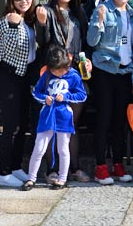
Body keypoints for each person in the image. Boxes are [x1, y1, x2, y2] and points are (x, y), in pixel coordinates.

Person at [35, 0, 90, 182]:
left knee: (70, 124)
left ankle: (74, 168)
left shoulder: (79, 13)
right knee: (51, 124)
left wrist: (87, 61)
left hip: (73, 74)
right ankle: (52, 170)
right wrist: (41, 24)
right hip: (53, 74)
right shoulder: (47, 11)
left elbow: (85, 43)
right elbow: (42, 43)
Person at [88, 0, 133, 186]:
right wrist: (99, 21)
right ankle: (101, 167)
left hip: (125, 72)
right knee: (104, 119)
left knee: (120, 120)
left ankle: (118, 164)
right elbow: (92, 42)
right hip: (105, 70)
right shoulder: (103, 9)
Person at [0, 0, 40, 188]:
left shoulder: (28, 21)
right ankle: (3, 173)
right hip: (8, 75)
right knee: (10, 125)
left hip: (23, 76)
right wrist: (13, 25)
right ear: (11, 0)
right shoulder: (7, 20)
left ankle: (15, 166)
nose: (23, 1)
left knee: (21, 125)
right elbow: (10, 46)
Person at [21, 46, 87, 191]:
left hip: (64, 116)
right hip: (47, 115)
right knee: (39, 147)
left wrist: (67, 97)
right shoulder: (46, 75)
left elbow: (82, 95)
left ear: (67, 65)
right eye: (54, 70)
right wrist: (45, 98)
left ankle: (62, 179)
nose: (58, 73)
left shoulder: (74, 75)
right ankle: (31, 178)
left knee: (63, 149)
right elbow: (36, 92)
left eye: (61, 70)